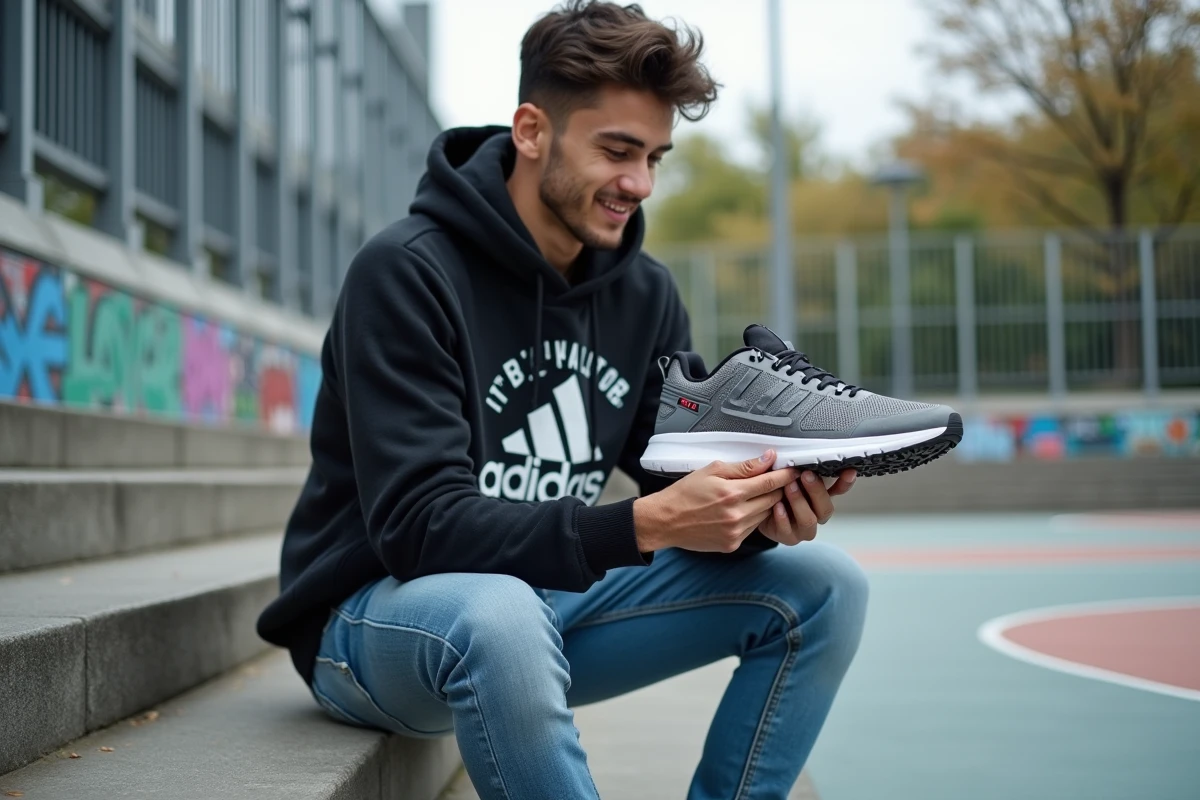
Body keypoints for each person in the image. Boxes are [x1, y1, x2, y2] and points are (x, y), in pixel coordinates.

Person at [256, 2, 867, 797]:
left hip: (543, 607)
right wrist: (646, 525)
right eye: (617, 151)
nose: (638, 184)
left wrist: (759, 504)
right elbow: (418, 526)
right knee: (500, 615)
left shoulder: (643, 294)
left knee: (826, 587)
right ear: (532, 130)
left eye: (655, 157)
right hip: (376, 626)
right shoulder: (406, 273)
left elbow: (673, 474)